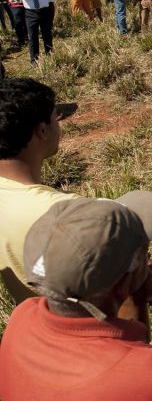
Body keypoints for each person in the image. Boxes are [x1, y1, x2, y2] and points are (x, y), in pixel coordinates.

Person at [0, 191, 152, 400]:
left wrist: (133, 297)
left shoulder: (23, 318)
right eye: (144, 254)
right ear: (125, 281)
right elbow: (140, 374)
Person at [0, 78, 79, 303]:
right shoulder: (66, 212)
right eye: (56, 118)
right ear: (42, 130)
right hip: (80, 331)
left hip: (30, 329)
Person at [16, 0, 58, 64]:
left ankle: (50, 55)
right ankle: (34, 60)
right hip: (30, 13)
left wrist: (47, 0)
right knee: (32, 37)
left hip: (44, 11)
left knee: (47, 34)